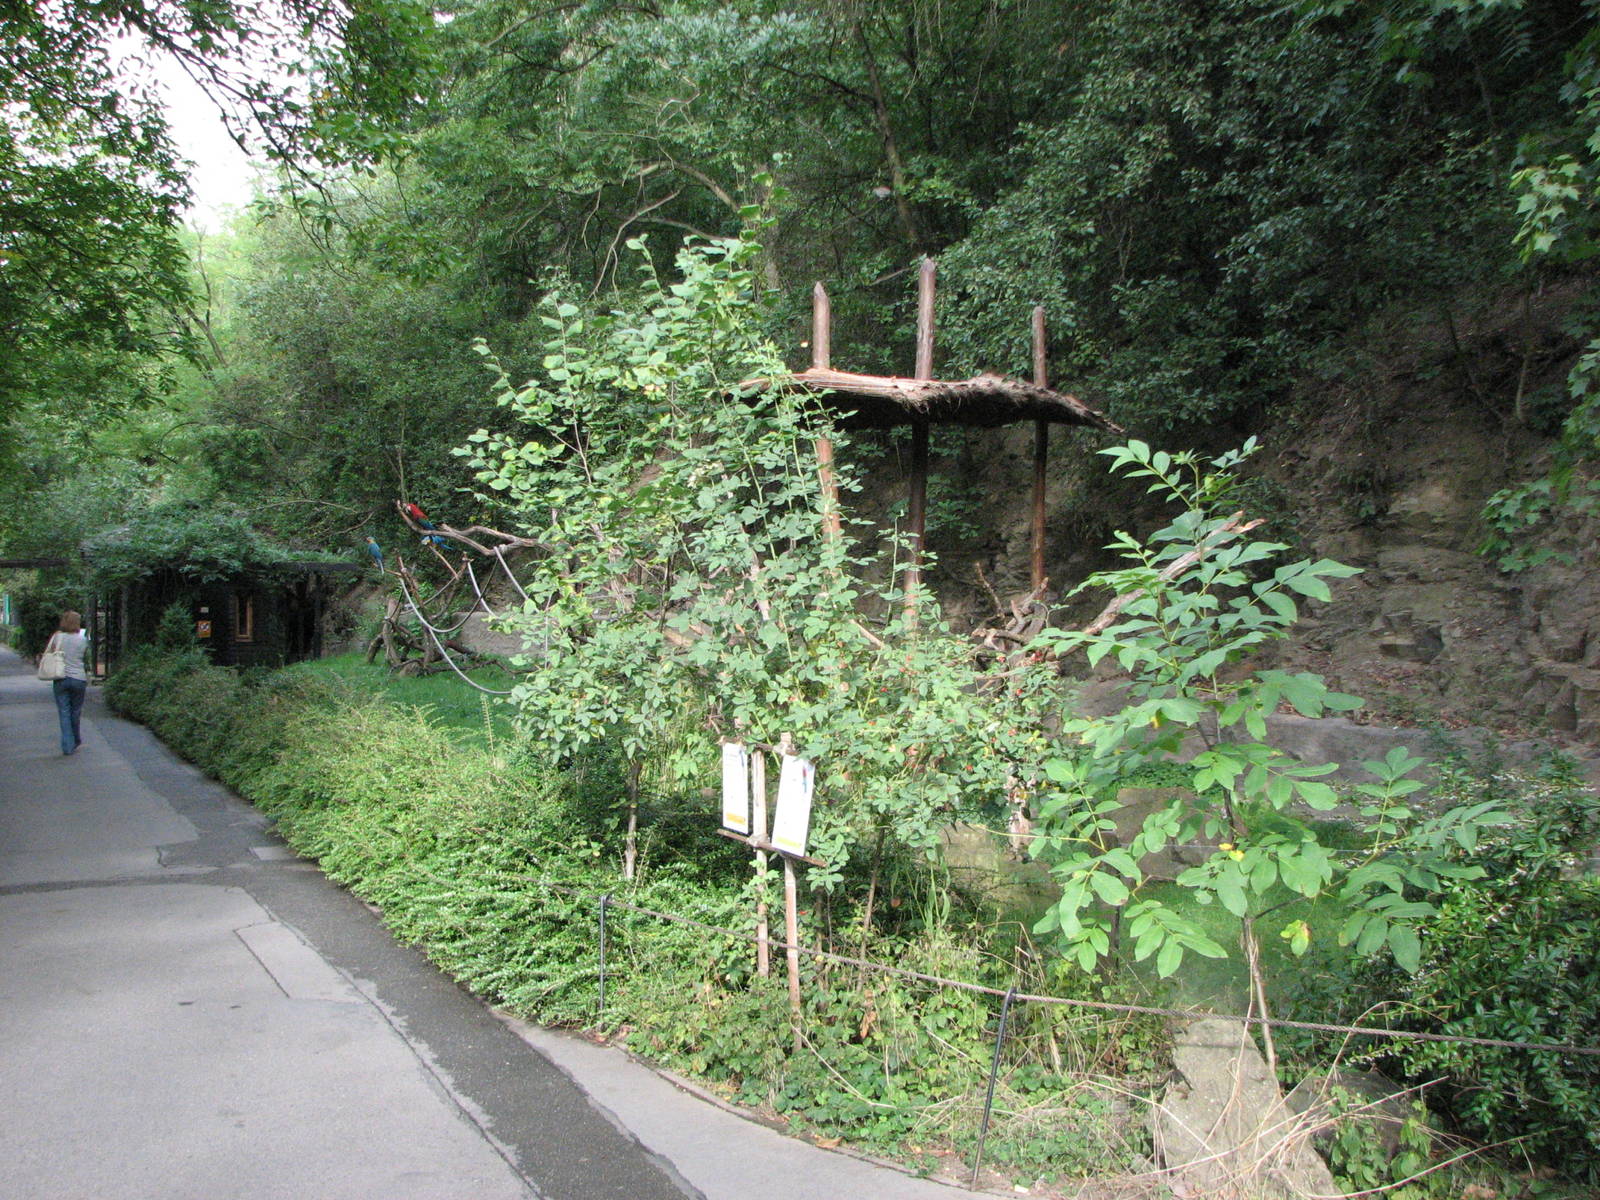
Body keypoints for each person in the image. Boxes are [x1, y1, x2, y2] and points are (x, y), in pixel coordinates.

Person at [46, 611, 90, 756]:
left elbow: (50, 653)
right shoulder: (82, 639)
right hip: (78, 679)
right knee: (75, 711)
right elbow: (84, 657)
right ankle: (76, 739)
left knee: (64, 712)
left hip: (60, 678)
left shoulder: (57, 637)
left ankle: (67, 745)